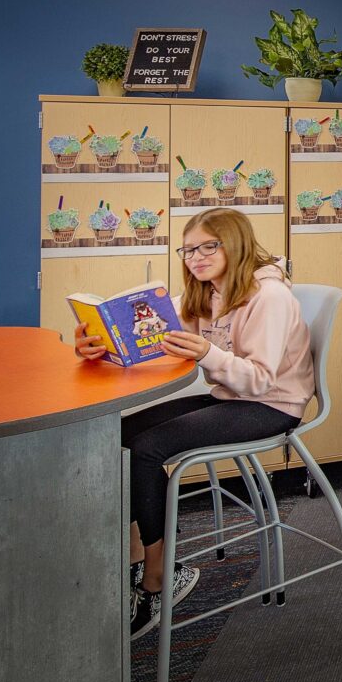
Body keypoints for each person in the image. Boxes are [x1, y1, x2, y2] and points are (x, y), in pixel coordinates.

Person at [75, 208, 314, 639]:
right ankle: (135, 557)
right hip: (231, 396)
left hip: (272, 404)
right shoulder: (209, 291)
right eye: (189, 249)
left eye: (209, 246)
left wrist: (206, 353)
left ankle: (159, 578)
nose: (196, 257)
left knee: (147, 450)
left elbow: (260, 379)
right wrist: (103, 343)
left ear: (235, 244)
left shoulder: (269, 296)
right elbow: (160, 338)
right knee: (122, 433)